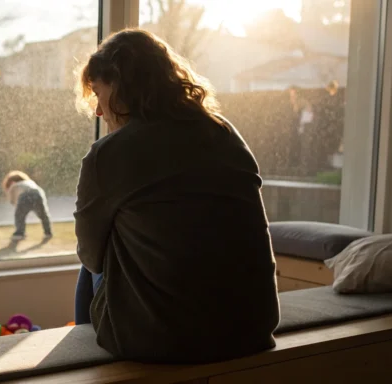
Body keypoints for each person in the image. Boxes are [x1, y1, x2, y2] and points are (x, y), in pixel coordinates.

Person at [73, 29, 279, 364]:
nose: (98, 110)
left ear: (121, 84)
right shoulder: (225, 132)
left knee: (99, 246)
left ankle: (87, 362)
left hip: (165, 341)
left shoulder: (109, 154)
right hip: (252, 329)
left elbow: (91, 257)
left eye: (98, 93)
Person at [1, 171, 52, 241]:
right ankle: (48, 232)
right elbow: (40, 192)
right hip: (38, 194)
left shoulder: (14, 185)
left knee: (19, 216)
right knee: (43, 215)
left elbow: (12, 200)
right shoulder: (30, 182)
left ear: (11, 182)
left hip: (25, 196)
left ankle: (19, 233)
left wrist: (16, 205)